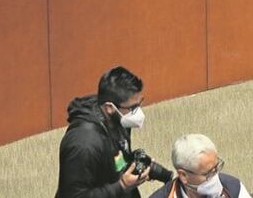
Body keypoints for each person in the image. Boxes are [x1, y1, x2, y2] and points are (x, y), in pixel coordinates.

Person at [55, 66, 171, 197]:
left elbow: (117, 158)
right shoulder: (83, 144)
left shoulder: (119, 119)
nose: (138, 112)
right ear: (109, 107)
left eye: (139, 104)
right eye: (132, 108)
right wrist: (121, 186)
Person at [149, 134, 252, 198]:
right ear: (183, 175)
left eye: (217, 168)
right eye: (209, 173)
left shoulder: (233, 187)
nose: (216, 177)